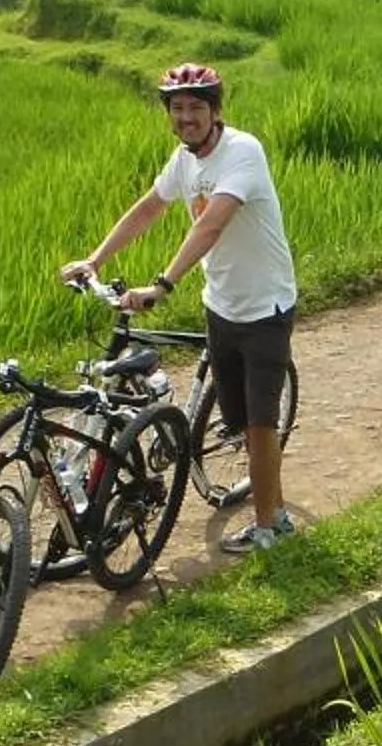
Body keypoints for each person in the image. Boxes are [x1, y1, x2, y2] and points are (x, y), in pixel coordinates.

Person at [64, 62, 300, 552]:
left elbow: (209, 226)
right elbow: (151, 207)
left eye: (197, 107)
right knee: (235, 420)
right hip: (222, 303)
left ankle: (272, 524)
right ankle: (235, 457)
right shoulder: (184, 159)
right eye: (178, 108)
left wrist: (162, 285)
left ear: (216, 111)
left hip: (264, 307)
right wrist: (95, 258)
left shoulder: (242, 152)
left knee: (258, 425)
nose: (186, 117)